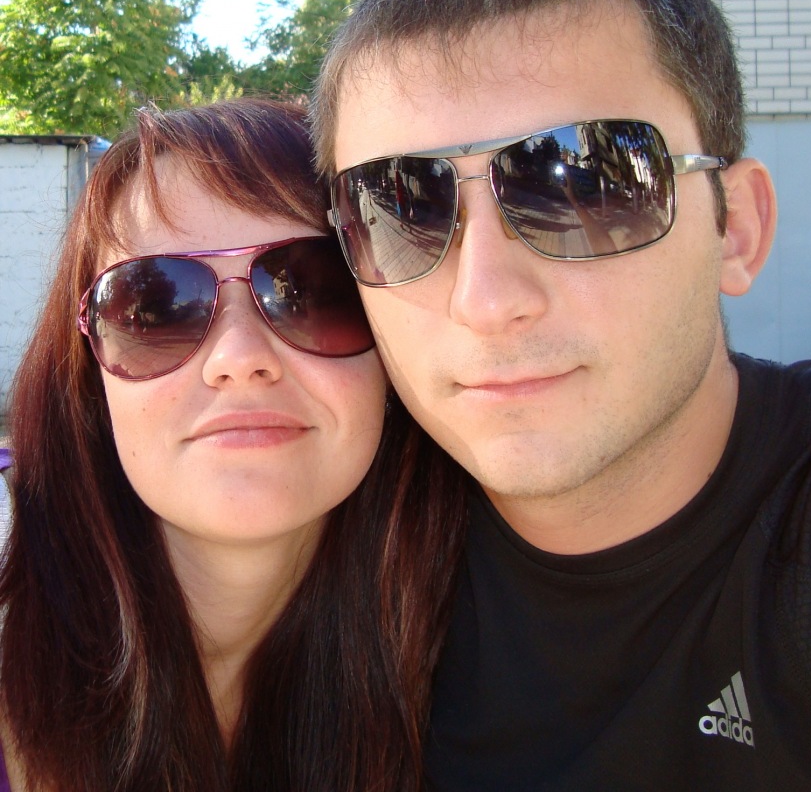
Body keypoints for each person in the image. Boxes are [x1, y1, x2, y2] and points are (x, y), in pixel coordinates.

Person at [311, 0, 811, 790]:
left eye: (584, 183)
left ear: (735, 228)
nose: (485, 299)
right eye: (401, 209)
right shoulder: (332, 568)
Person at [0, 99, 464, 792]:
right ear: (89, 376)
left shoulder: (490, 656)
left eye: (312, 291)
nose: (239, 358)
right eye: (154, 307)